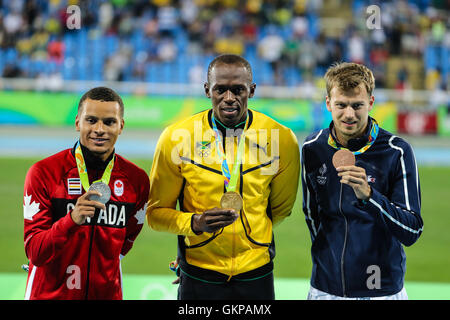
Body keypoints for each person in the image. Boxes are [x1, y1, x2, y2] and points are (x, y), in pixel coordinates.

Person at [146, 54, 300, 300]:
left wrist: (250, 236)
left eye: (238, 90)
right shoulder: (176, 138)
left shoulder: (281, 140)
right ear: (207, 90)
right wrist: (194, 223)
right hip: (199, 274)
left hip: (256, 273)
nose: (229, 98)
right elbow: (155, 213)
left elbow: (280, 210)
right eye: (220, 90)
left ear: (252, 89)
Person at [301, 62, 423, 300]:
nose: (349, 114)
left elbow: (412, 229)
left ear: (370, 102)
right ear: (328, 103)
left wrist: (370, 196)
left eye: (357, 105)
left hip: (382, 290)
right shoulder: (312, 148)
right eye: (341, 105)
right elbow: (311, 214)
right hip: (326, 289)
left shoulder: (396, 151)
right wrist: (330, 258)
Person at [23, 87, 150, 299]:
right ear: (77, 123)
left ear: (121, 126)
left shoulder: (137, 180)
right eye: (91, 120)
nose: (99, 129)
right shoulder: (44, 173)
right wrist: (71, 220)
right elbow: (36, 252)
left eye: (109, 122)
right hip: (48, 295)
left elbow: (125, 243)